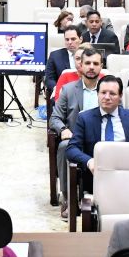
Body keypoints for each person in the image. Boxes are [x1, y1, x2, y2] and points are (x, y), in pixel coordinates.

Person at [66, 75, 129, 193]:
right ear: (97, 94)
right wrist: (89, 161)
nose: (107, 97)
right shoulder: (85, 118)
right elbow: (71, 149)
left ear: (120, 96)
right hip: (97, 175)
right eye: (103, 93)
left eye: (112, 93)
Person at [50, 46, 104, 217]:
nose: (91, 67)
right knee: (65, 146)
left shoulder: (108, 88)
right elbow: (55, 118)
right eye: (87, 63)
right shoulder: (68, 89)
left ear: (101, 66)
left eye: (95, 63)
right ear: (80, 65)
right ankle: (68, 198)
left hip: (103, 138)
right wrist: (63, 129)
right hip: (76, 139)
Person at [44, 24, 81, 96]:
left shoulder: (88, 54)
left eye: (73, 39)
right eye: (67, 39)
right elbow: (49, 79)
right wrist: (57, 89)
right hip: (63, 92)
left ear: (80, 39)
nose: (70, 42)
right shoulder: (55, 56)